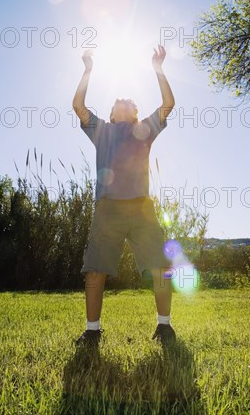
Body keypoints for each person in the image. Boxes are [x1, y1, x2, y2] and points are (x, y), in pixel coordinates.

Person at [72, 45, 176, 348]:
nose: (125, 103)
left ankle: (164, 327)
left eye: (130, 102)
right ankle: (92, 331)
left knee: (159, 265)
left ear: (135, 113)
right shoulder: (101, 131)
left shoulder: (145, 129)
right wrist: (87, 69)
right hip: (108, 209)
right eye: (120, 102)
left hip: (142, 209)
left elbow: (168, 103)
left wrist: (158, 67)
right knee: (96, 267)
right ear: (112, 113)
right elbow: (78, 105)